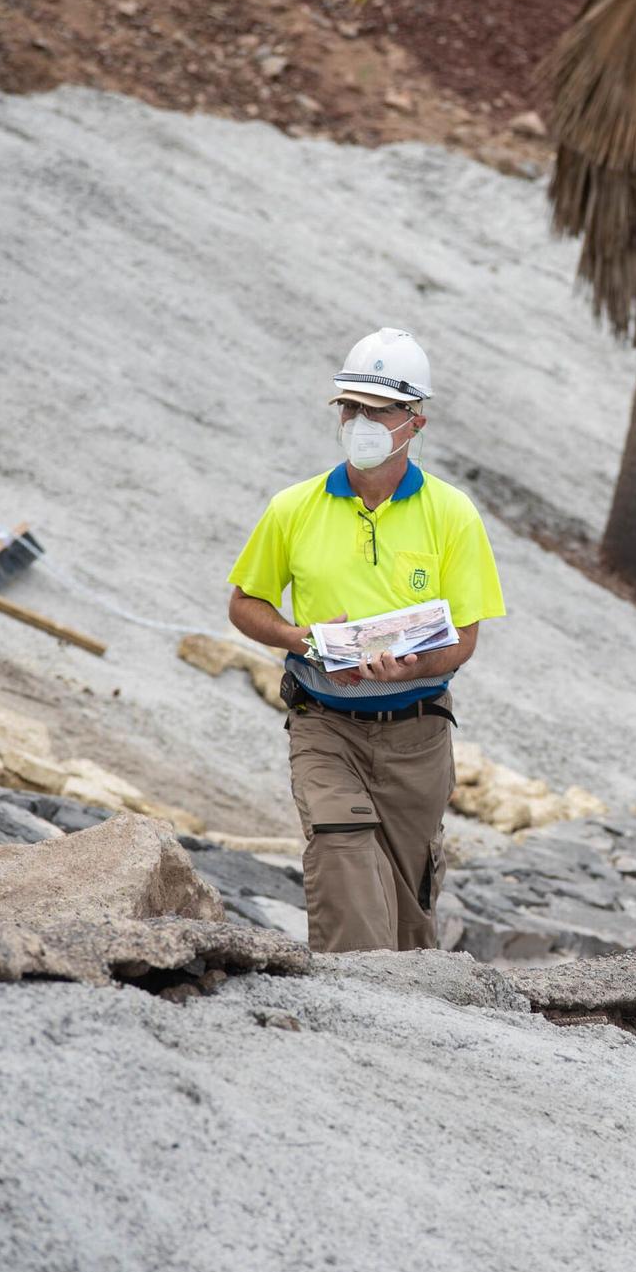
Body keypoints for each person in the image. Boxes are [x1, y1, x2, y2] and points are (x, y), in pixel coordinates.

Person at [226, 328, 504, 952]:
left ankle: (404, 1030)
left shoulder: (452, 514)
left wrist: (406, 669)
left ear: (414, 421)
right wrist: (299, 638)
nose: (361, 422)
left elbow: (464, 637)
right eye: (351, 408)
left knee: (408, 917)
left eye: (379, 410)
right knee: (341, 855)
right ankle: (350, 1015)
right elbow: (245, 604)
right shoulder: (292, 508)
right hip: (323, 722)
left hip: (418, 732)